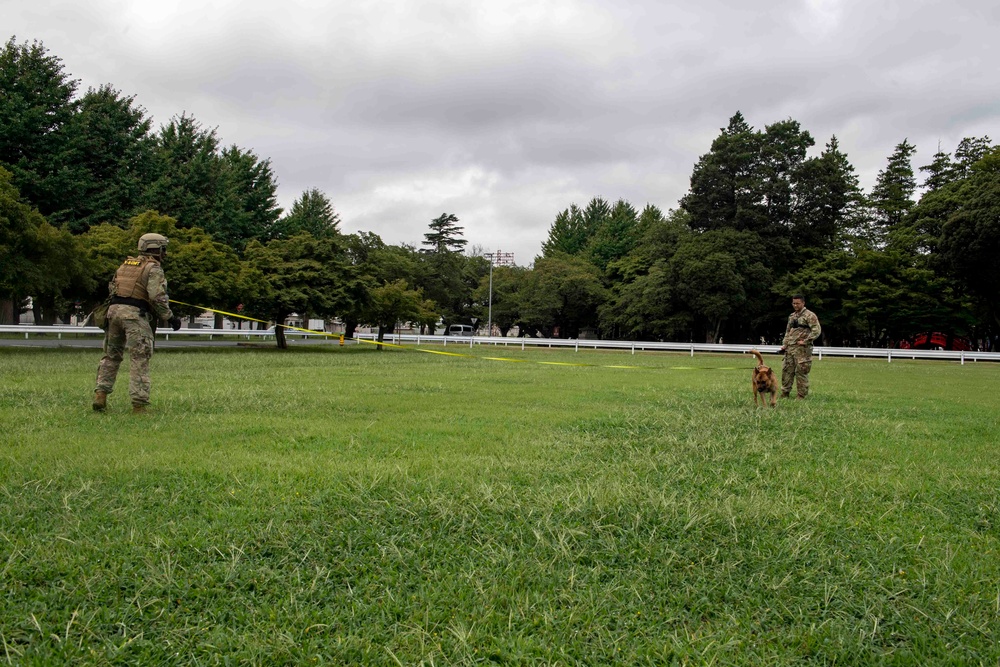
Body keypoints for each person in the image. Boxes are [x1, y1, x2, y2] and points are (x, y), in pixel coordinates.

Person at [92, 233, 181, 414]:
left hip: (114, 312)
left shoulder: (126, 265)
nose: (165, 253)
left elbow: (114, 289)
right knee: (139, 358)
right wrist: (170, 318)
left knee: (111, 356)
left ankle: (100, 395)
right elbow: (156, 297)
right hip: (134, 316)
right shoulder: (153, 268)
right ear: (155, 249)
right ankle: (138, 405)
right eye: (163, 249)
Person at [779, 294, 821, 399]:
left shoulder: (809, 315)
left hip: (802, 350)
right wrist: (785, 344)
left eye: (798, 303)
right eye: (793, 303)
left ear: (803, 303)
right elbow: (788, 331)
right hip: (790, 348)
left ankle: (801, 396)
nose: (795, 305)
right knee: (787, 371)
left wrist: (806, 341)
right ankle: (785, 393)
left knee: (801, 372)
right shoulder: (792, 316)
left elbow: (816, 330)